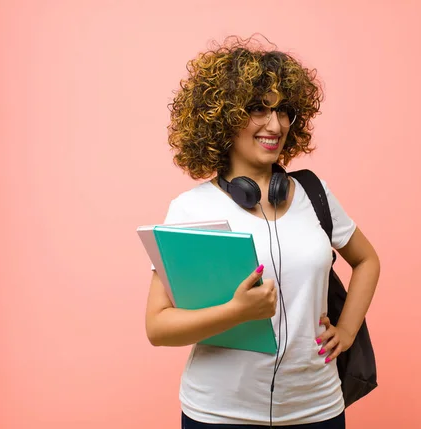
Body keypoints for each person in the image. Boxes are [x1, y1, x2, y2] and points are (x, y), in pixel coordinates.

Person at [145, 35, 380, 429]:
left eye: (283, 110)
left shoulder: (314, 194)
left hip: (317, 409)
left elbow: (367, 260)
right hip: (219, 415)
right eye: (258, 109)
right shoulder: (191, 209)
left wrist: (348, 330)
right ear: (222, 117)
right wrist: (235, 313)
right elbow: (158, 326)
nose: (276, 125)